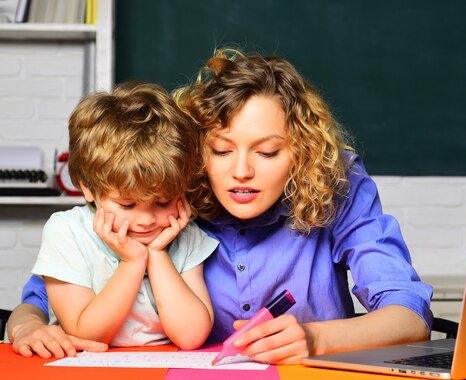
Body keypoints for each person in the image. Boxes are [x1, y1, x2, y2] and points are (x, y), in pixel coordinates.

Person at [8, 49, 433, 364]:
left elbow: (409, 314)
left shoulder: (337, 182)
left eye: (267, 153)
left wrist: (316, 339)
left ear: (301, 153)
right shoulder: (165, 194)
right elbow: (46, 292)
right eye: (221, 150)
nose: (242, 172)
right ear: (196, 155)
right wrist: (25, 324)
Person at [18, 82, 217, 354]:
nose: (146, 220)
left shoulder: (184, 234)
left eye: (163, 201)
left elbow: (191, 336)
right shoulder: (67, 231)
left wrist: (157, 255)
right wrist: (133, 262)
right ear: (87, 187)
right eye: (127, 204)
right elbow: (88, 335)